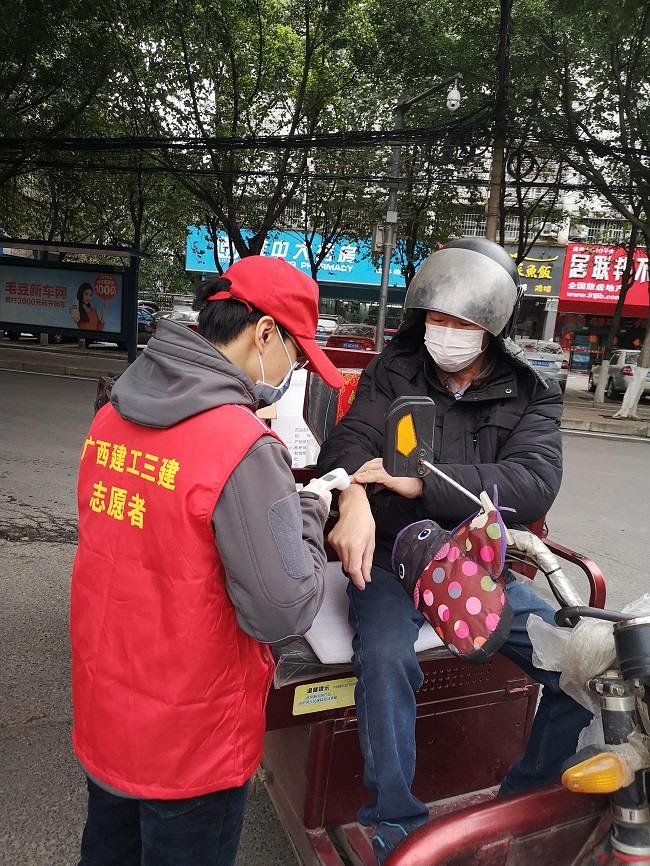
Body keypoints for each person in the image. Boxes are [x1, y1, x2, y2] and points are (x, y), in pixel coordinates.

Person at [316, 238, 593, 865]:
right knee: (384, 659)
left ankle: (519, 800)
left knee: (579, 666)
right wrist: (352, 497)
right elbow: (349, 441)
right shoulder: (397, 367)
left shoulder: (531, 392)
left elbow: (533, 482)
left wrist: (424, 481)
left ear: (493, 326)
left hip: (474, 563)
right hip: (391, 558)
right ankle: (396, 824)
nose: (445, 332)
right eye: (436, 317)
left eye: (462, 322)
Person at [70, 255, 344, 866]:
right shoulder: (241, 445)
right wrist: (310, 508)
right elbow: (283, 609)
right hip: (192, 741)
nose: (293, 373)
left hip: (107, 710)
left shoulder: (112, 415)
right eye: (297, 357)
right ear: (265, 333)